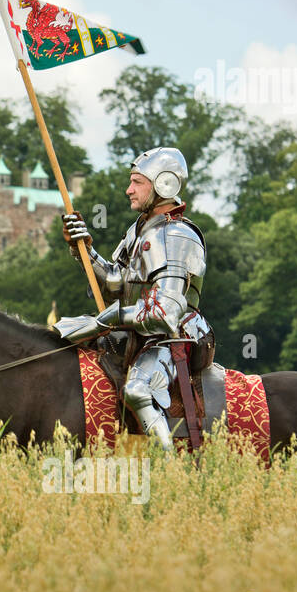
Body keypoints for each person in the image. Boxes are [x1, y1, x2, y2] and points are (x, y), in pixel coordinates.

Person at [55, 147, 210, 450]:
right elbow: (116, 283)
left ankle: (172, 468)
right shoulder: (138, 230)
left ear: (164, 184)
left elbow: (165, 312)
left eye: (137, 182)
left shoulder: (176, 234)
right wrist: (84, 250)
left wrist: (102, 322)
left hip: (172, 335)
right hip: (134, 332)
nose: (129, 190)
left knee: (139, 390)